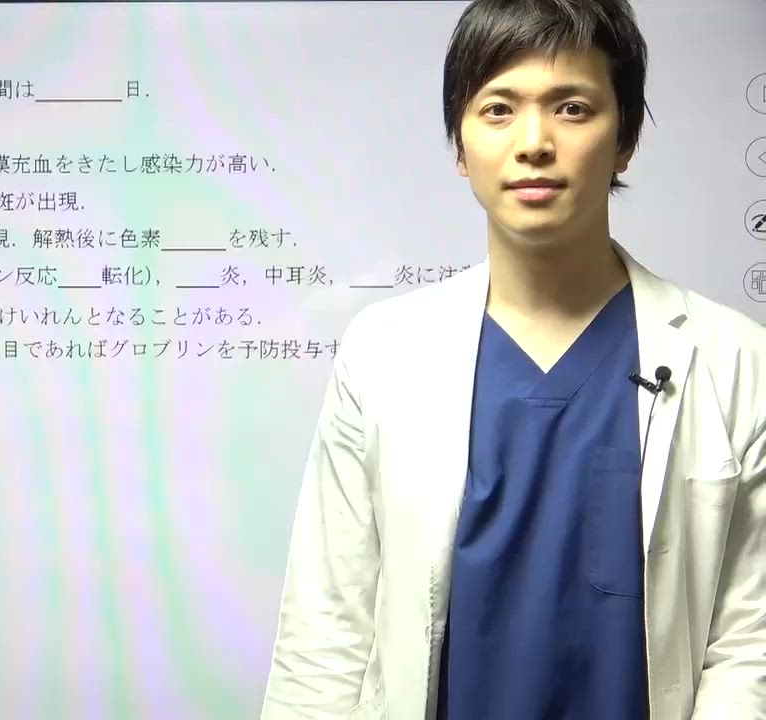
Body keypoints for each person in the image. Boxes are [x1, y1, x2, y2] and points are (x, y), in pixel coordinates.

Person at [259, 0, 766, 718]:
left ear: (625, 138)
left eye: (572, 108)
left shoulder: (736, 360)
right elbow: (327, 629)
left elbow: (750, 642)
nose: (534, 142)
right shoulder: (382, 353)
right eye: (498, 109)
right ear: (460, 146)